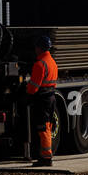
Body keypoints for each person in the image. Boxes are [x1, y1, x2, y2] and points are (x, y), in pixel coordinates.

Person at [26, 35, 59, 167]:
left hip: (42, 99)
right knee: (48, 127)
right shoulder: (52, 62)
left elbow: (33, 87)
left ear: (39, 48)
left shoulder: (40, 64)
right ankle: (45, 155)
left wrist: (26, 91)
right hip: (51, 97)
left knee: (43, 128)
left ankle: (46, 157)